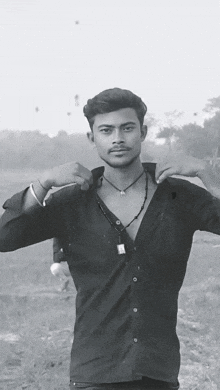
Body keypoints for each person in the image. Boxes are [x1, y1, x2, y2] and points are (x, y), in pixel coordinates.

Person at [0, 87, 220, 390]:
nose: (118, 138)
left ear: (142, 132)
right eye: (106, 130)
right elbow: (5, 236)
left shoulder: (178, 196)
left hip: (159, 370)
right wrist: (44, 182)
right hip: (94, 372)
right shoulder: (71, 202)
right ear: (92, 138)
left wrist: (208, 175)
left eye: (127, 128)